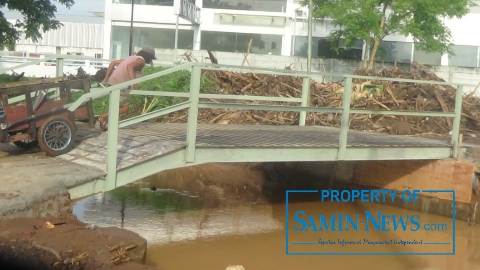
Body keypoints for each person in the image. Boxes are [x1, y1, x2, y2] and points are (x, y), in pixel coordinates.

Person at [98, 46, 156, 131]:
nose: (151, 61)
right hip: (121, 84)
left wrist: (106, 78)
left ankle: (107, 125)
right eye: (151, 58)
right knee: (125, 108)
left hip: (113, 82)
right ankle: (103, 117)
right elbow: (130, 67)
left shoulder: (132, 58)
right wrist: (133, 81)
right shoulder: (141, 61)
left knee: (116, 106)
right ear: (149, 57)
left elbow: (113, 63)